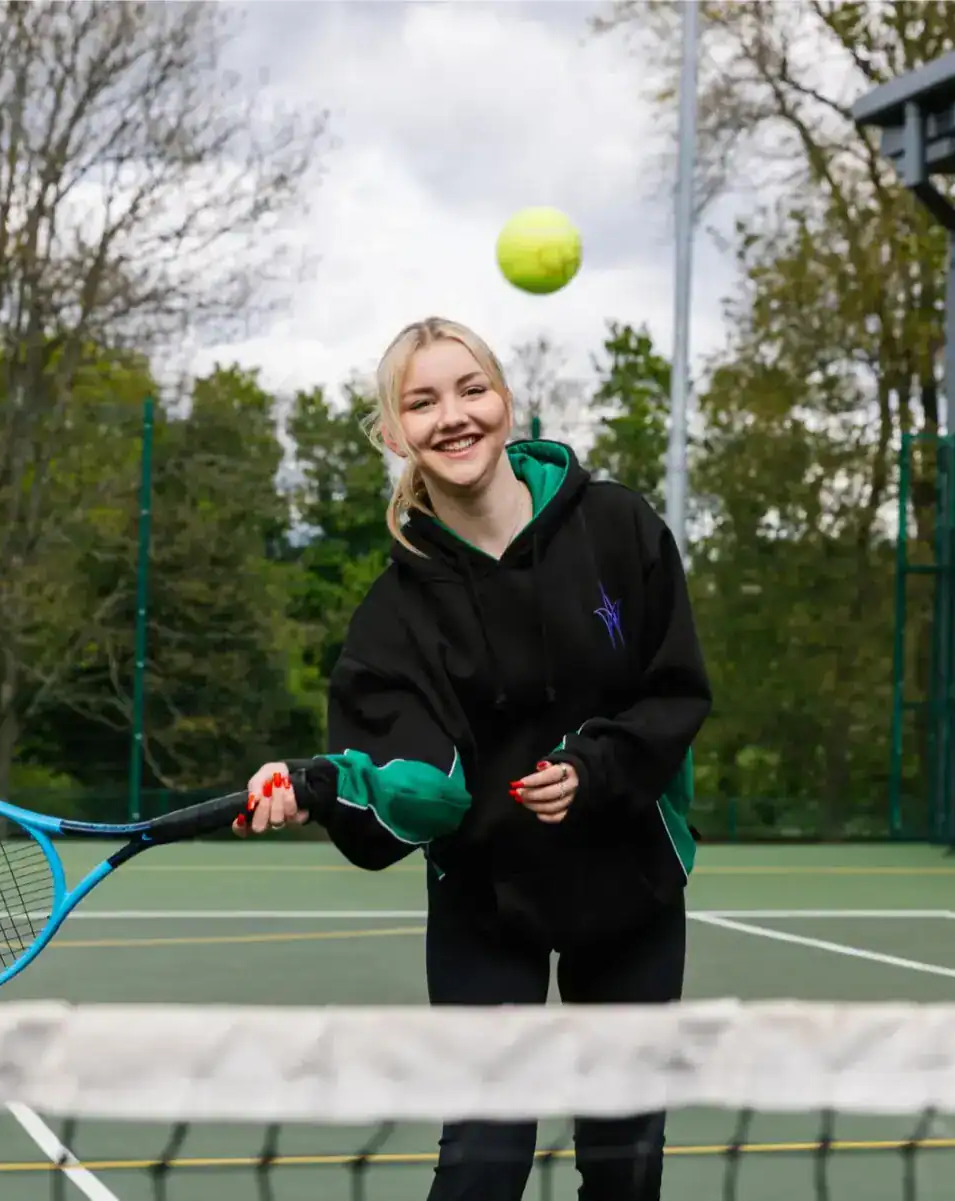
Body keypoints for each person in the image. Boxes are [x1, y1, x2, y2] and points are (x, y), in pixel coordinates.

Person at [238, 316, 711, 1201]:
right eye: (422, 402)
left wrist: (597, 766)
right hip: (486, 904)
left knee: (626, 1163)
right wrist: (324, 785)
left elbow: (674, 690)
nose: (453, 417)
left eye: (471, 390)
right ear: (393, 433)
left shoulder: (619, 528)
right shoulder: (396, 612)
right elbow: (418, 783)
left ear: (506, 402)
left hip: (630, 886)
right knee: (484, 1162)